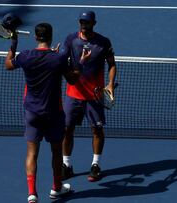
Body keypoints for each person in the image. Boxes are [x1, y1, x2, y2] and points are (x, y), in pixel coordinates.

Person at [4, 15, 83, 202]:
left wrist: (13, 42)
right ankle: (56, 189)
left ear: (35, 38)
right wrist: (80, 62)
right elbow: (73, 78)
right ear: (50, 36)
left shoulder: (25, 57)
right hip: (54, 114)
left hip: (32, 113)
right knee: (56, 152)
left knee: (32, 153)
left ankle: (32, 194)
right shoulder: (58, 59)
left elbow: (8, 64)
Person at [61, 10, 117, 182]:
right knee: (67, 129)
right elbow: (62, 62)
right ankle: (66, 165)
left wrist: (109, 83)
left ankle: (95, 165)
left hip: (95, 96)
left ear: (94, 23)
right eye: (81, 22)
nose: (83, 25)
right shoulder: (71, 40)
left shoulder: (103, 42)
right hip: (74, 94)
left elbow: (112, 64)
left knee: (97, 130)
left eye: (87, 22)